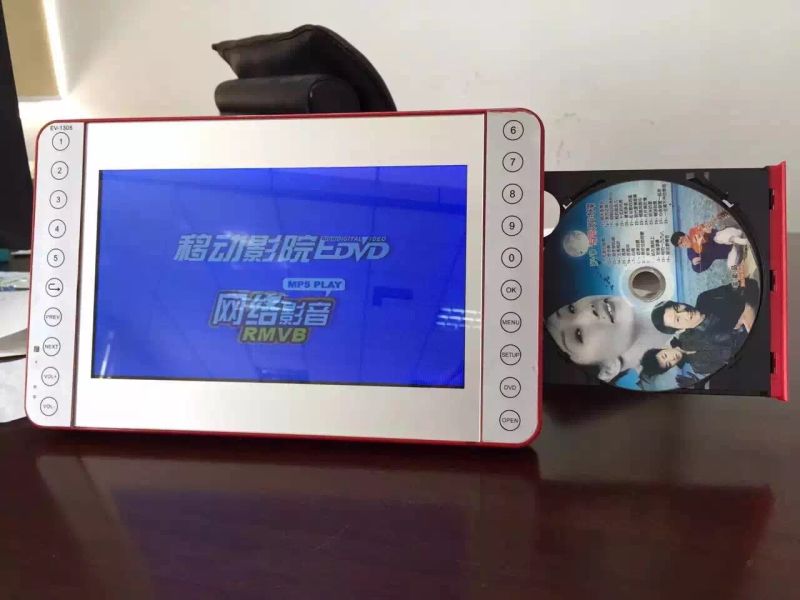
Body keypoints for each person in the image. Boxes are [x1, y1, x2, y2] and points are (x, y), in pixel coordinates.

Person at [546, 295, 672, 382]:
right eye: (579, 335)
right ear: (608, 369)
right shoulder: (667, 381)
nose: (587, 312)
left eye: (571, 309)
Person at [650, 279, 759, 336]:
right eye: (678, 319)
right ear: (679, 330)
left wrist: (748, 307)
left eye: (677, 307)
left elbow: (743, 284)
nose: (685, 313)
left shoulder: (704, 298)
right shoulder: (710, 339)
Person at [640, 336, 733, 380]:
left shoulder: (688, 332)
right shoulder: (698, 367)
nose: (672, 359)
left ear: (664, 348)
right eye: (669, 364)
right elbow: (727, 366)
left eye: (665, 356)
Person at [670, 226, 749, 273]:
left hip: (730, 236)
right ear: (680, 247)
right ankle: (740, 246)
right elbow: (698, 269)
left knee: (718, 237)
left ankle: (739, 240)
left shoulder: (695, 232)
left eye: (682, 239)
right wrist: (694, 265)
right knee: (731, 266)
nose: (683, 243)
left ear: (685, 235)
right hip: (731, 250)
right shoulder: (691, 254)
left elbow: (715, 233)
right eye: (680, 244)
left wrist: (709, 232)